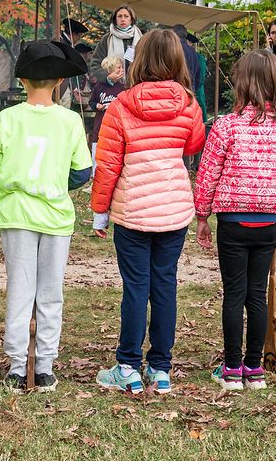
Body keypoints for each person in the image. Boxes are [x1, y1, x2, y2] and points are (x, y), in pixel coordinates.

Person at [91, 28, 205, 396]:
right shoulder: (188, 104)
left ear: (137, 59)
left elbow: (107, 165)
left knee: (136, 288)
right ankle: (161, 368)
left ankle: (127, 365)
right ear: (177, 60)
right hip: (172, 209)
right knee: (165, 285)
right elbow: (194, 143)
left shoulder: (121, 105)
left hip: (133, 210)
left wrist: (99, 211)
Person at [193, 50, 276, 390]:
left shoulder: (225, 126)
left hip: (232, 220)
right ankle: (254, 370)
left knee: (234, 294)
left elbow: (207, 174)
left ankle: (231, 370)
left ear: (241, 84)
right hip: (267, 221)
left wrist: (203, 216)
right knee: (256, 295)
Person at [0, 40, 93, 393]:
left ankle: (17, 367)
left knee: (19, 289)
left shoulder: (7, 118)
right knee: (50, 292)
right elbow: (82, 173)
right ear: (59, 82)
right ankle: (44, 366)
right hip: (57, 217)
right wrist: (54, 179)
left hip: (16, 215)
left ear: (24, 82)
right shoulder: (71, 120)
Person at [87, 55, 125, 172]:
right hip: (101, 124)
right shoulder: (99, 87)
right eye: (118, 68)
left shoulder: (122, 88)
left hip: (116, 125)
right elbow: (92, 102)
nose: (121, 70)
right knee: (97, 148)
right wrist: (97, 106)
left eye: (122, 67)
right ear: (109, 70)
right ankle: (95, 173)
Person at [90, 5, 142, 84]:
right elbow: (95, 64)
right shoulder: (107, 39)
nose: (123, 19)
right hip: (113, 87)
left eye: (126, 16)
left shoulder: (141, 39)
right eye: (119, 16)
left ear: (131, 19)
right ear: (115, 19)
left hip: (137, 85)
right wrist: (107, 77)